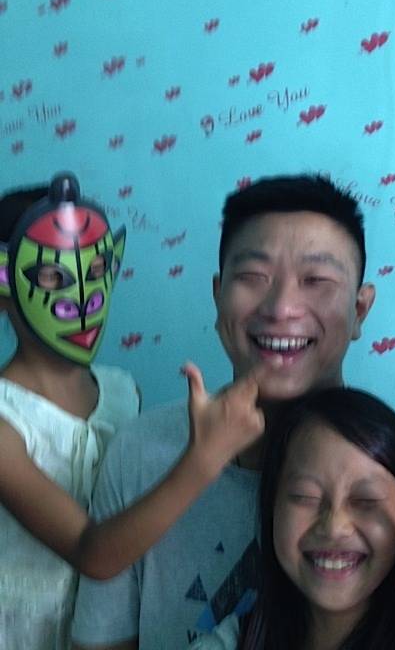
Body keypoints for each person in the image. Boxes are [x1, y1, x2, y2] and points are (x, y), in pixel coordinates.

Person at [72, 174, 395, 650]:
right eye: (253, 278)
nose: (281, 308)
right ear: (218, 295)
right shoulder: (140, 454)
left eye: (316, 281)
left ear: (360, 310)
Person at [0, 174, 268, 650]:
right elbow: (92, 553)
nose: (83, 296)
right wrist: (203, 460)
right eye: (52, 276)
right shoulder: (5, 422)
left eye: (97, 267)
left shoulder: (123, 392)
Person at [191, 387, 395, 650]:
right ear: (272, 506)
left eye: (366, 501)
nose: (334, 526)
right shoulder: (233, 640)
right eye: (305, 496)